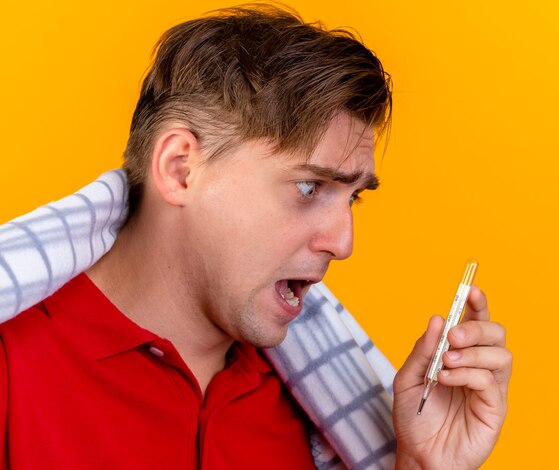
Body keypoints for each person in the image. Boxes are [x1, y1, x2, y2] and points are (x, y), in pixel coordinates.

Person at [0, 4, 511, 469]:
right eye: (310, 187)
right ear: (180, 169)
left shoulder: (311, 410)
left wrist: (423, 466)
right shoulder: (15, 368)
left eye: (352, 197)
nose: (343, 243)